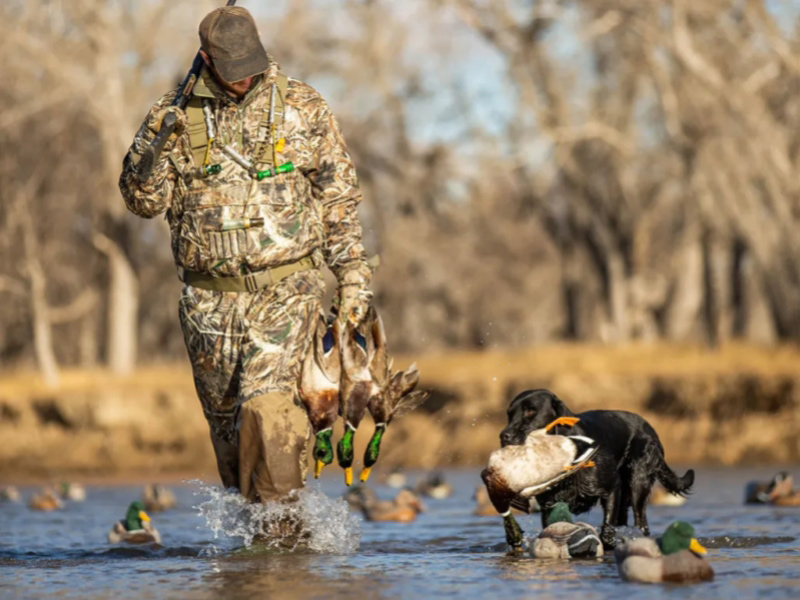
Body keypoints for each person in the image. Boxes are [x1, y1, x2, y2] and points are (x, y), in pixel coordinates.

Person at [119, 6, 372, 504]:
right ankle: (261, 548)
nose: (244, 80)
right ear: (206, 60)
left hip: (286, 287)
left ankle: (278, 536)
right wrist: (154, 145)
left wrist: (352, 277)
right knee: (232, 437)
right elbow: (142, 204)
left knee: (269, 406)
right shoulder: (171, 114)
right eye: (233, 71)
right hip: (207, 306)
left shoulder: (303, 105)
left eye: (251, 68)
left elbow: (338, 198)